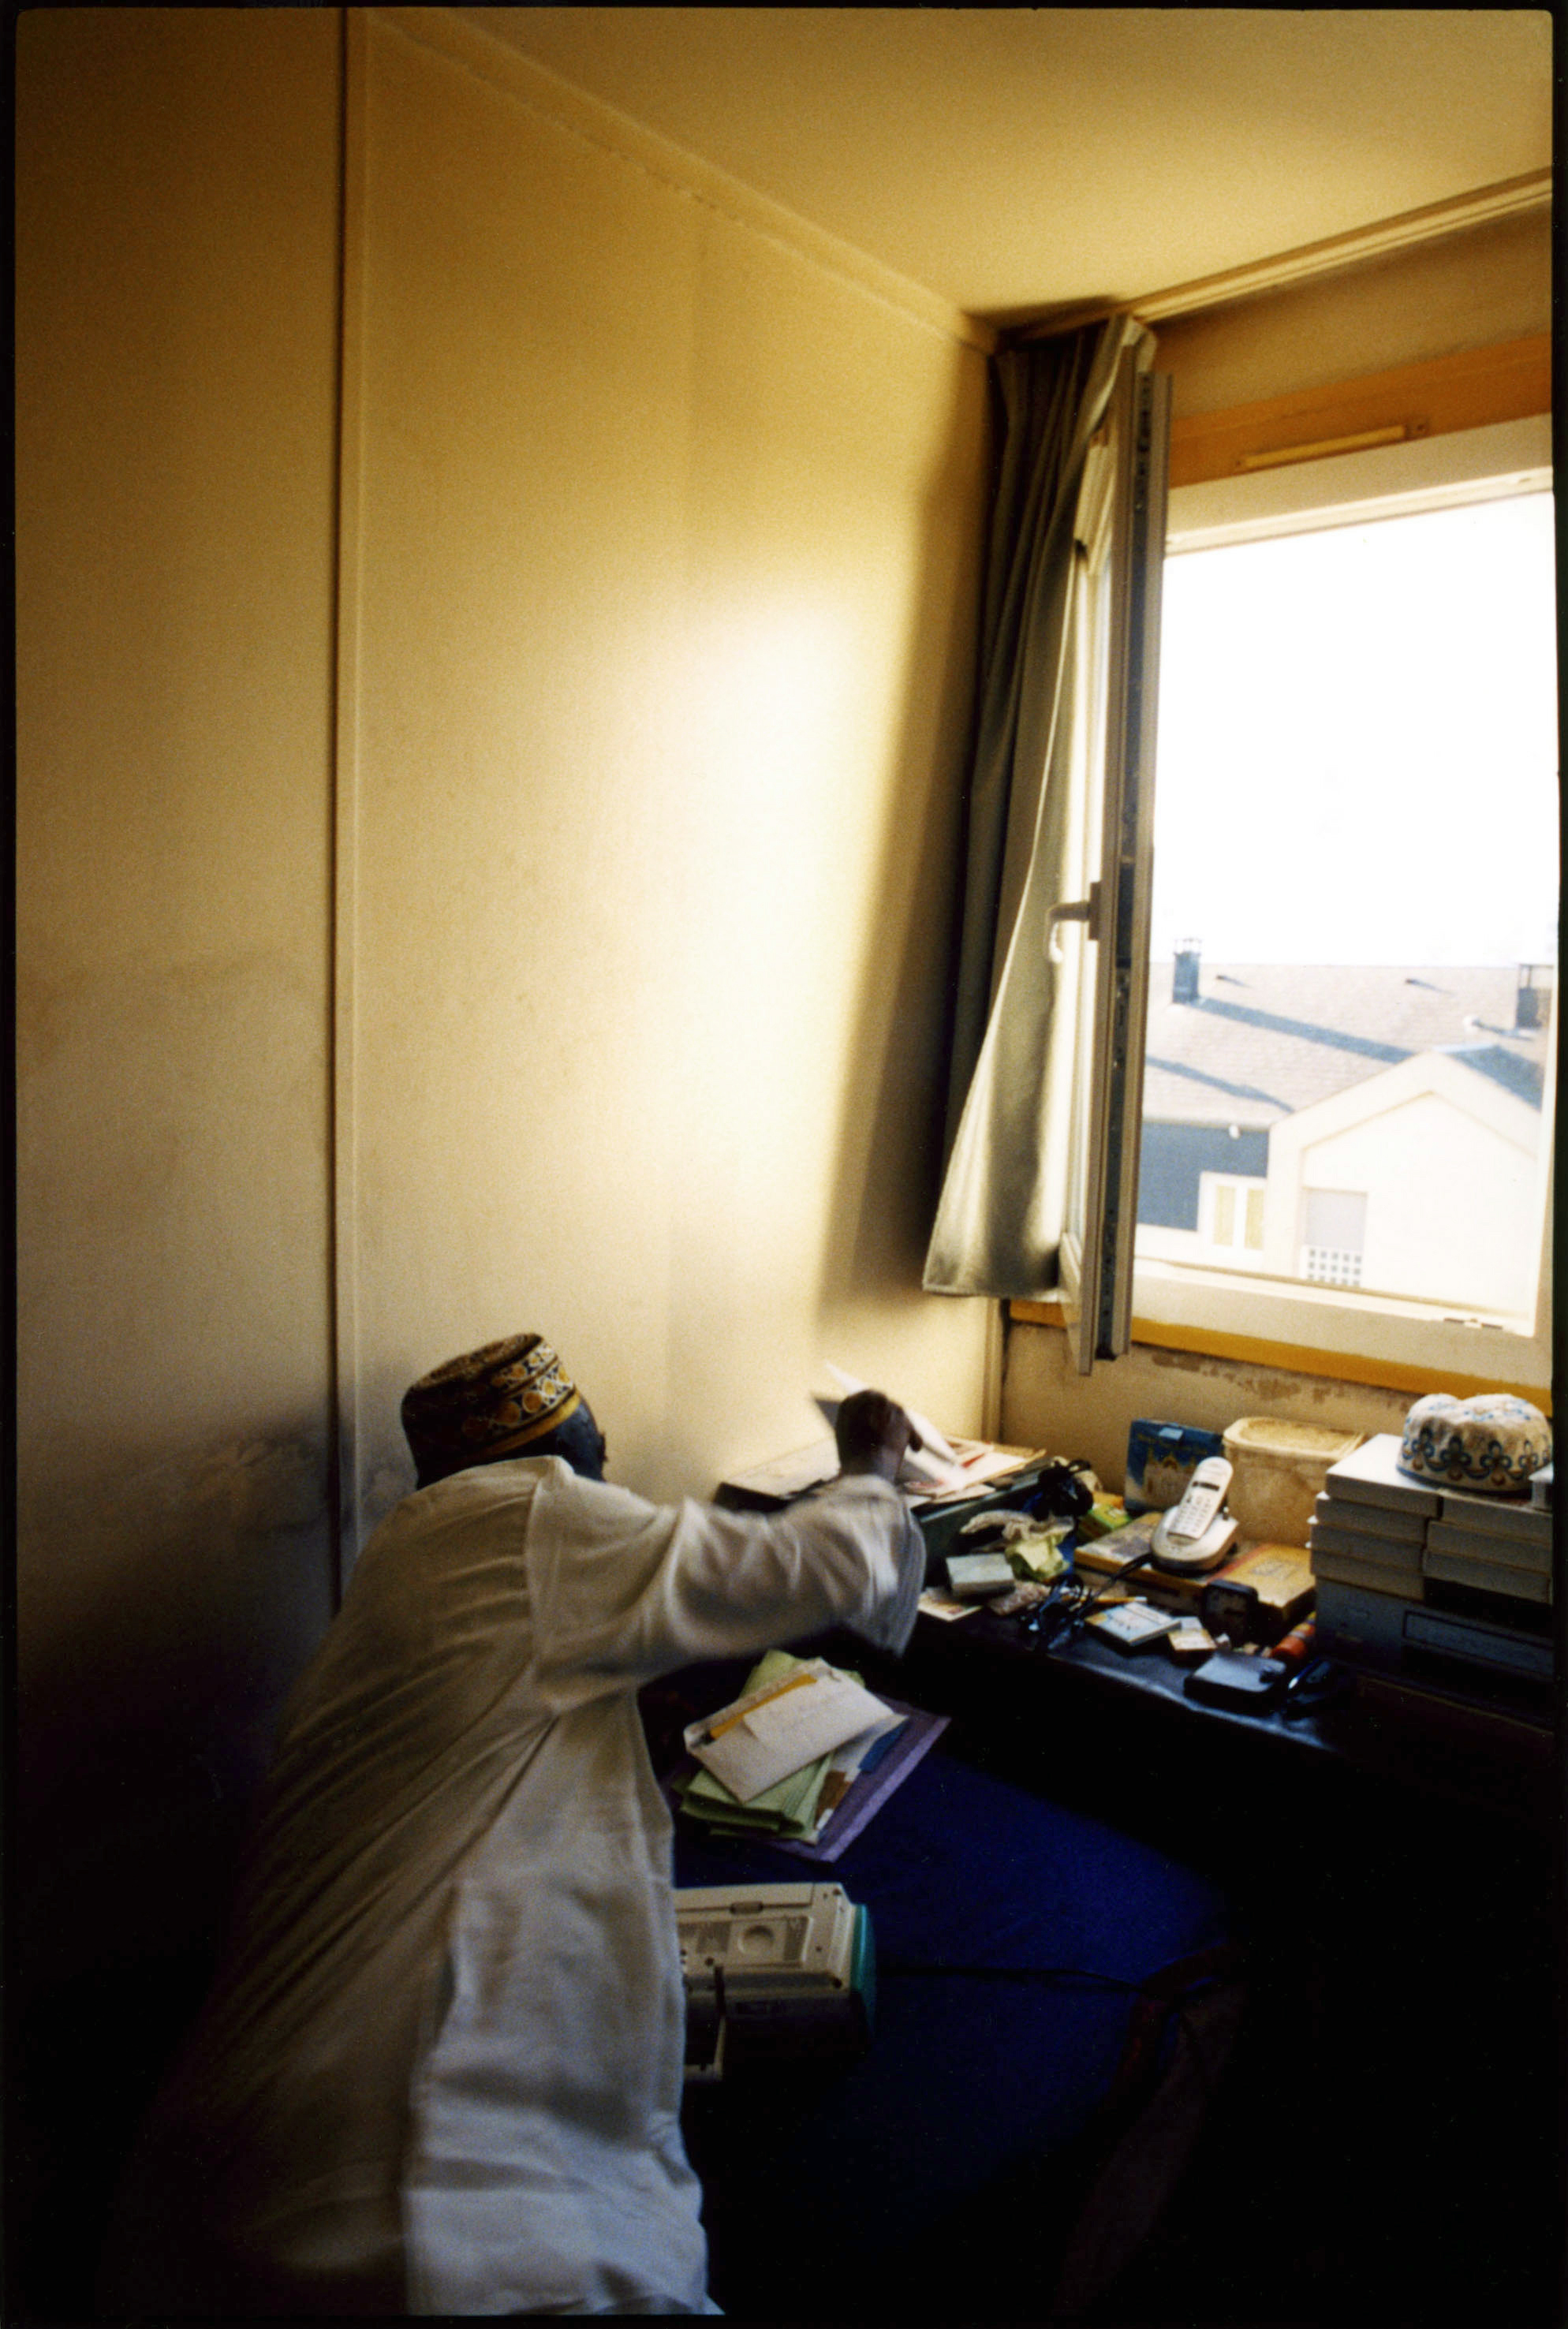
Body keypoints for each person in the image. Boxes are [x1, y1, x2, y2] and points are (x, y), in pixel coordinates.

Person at [100, 1334, 925, 2316]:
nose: (612, 1487)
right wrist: (870, 1457)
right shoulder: (537, 1514)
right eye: (600, 1460)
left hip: (241, 2161)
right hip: (409, 2192)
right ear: (558, 1462)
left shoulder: (405, 1564)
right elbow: (820, 1565)